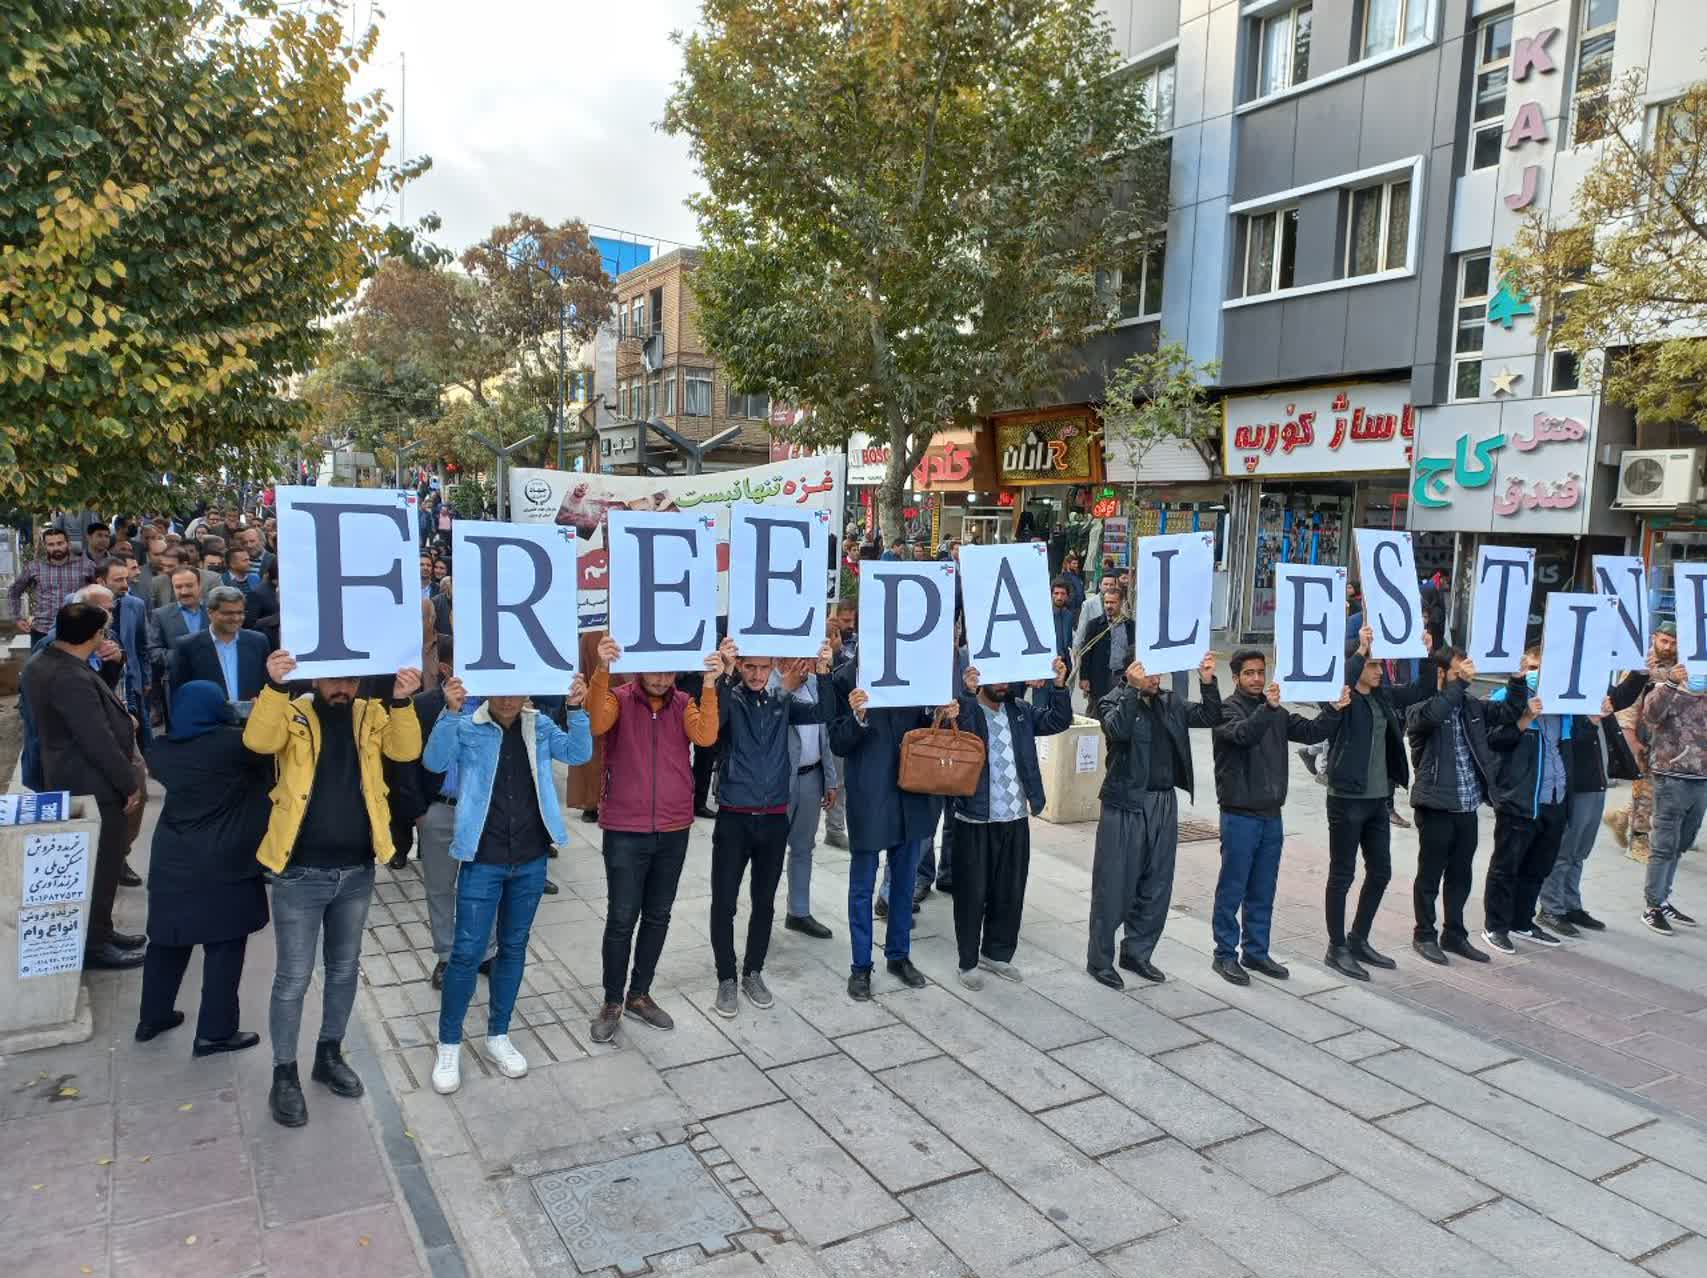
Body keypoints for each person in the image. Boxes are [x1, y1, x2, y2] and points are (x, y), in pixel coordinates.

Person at [244, 650, 423, 1128]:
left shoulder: (371, 713)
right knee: (294, 978)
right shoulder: (294, 710)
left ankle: (329, 1054)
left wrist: (403, 701)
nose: (341, 687)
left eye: (350, 679)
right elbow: (259, 742)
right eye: (332, 679)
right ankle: (284, 1074)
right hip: (299, 872)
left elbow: (405, 752)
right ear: (316, 679)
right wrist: (275, 686)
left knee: (344, 970)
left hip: (357, 871)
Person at [424, 671, 592, 1094]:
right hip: (483, 858)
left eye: (517, 689)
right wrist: (448, 710)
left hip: (531, 858)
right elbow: (435, 762)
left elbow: (578, 753)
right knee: (465, 954)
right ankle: (449, 1043)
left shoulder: (539, 725)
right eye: (500, 689)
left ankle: (498, 1034)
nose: (509, 698)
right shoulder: (468, 724)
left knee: (514, 948)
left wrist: (577, 709)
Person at [584, 637, 721, 1043]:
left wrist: (711, 684)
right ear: (639, 667)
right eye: (654, 670)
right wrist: (602, 669)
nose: (661, 679)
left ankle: (640, 993)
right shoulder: (619, 699)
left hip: (674, 826)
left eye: (668, 671)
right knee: (622, 917)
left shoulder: (684, 703)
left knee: (659, 915)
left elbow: (707, 737)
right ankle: (612, 1000)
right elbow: (595, 722)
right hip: (625, 827)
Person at [135, 681, 271, 1054]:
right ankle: (215, 1031)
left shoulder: (162, 752)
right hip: (224, 862)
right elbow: (268, 750)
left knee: (166, 943)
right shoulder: (234, 746)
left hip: (172, 862)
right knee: (224, 948)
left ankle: (152, 1017)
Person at [709, 638, 832, 1018]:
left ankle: (753, 971)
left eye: (764, 668)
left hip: (774, 817)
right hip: (734, 815)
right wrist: (724, 675)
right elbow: (713, 728)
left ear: (773, 666)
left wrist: (825, 672)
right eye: (750, 667)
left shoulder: (782, 701)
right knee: (725, 902)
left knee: (764, 902)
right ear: (740, 665)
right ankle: (726, 977)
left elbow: (824, 710)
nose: (758, 675)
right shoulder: (729, 698)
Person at [19, 602, 145, 968]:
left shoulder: (47, 663)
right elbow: (95, 736)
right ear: (94, 635)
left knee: (100, 867)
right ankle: (95, 946)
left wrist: (111, 666)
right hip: (93, 784)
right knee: (101, 868)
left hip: (79, 778)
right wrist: (128, 783)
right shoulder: (67, 676)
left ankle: (102, 932)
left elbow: (94, 704)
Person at [1206, 651, 1342, 986]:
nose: (1256, 679)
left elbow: (1311, 732)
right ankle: (1224, 954)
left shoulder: (1276, 712)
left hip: (1271, 814)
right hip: (1239, 814)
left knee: (1263, 887)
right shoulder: (1225, 710)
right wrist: (1268, 709)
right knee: (1233, 888)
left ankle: (1256, 950)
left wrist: (1333, 708)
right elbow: (1244, 735)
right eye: (1249, 673)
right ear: (1235, 676)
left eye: (1260, 672)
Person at [1086, 654, 1221, 989]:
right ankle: (1099, 960)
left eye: (1159, 669)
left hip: (1163, 801)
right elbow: (1117, 731)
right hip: (1125, 803)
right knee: (1114, 884)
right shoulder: (1111, 700)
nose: (1157, 677)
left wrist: (1207, 682)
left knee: (1157, 884)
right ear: (1132, 671)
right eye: (1149, 670)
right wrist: (1131, 691)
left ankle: (1137, 952)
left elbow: (1210, 716)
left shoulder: (1170, 702)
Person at [1318, 629, 1433, 979]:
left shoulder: (1382, 698)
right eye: (1372, 665)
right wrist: (1358, 653)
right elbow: (1338, 686)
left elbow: (1420, 692)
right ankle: (1335, 947)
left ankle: (1358, 938)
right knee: (1342, 874)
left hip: (1379, 799)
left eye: (1381, 665)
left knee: (1380, 871)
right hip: (1346, 799)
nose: (1379, 671)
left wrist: (1426, 656)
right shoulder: (1341, 699)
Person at [953, 655, 1074, 989]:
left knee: (1010, 891)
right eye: (997, 679)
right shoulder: (968, 711)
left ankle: (997, 953)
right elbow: (960, 731)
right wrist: (966, 694)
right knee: (972, 893)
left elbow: (1057, 721)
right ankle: (968, 961)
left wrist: (1060, 685)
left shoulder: (1020, 711)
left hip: (1015, 817)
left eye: (1008, 679)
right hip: (975, 818)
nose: (1004, 685)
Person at [830, 683, 955, 999]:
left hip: (912, 792)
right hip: (870, 797)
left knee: (904, 882)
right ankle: (861, 966)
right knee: (862, 886)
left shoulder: (918, 670)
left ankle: (898, 955)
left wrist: (939, 713)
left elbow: (930, 728)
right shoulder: (846, 676)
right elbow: (838, 742)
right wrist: (857, 717)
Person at [1405, 647, 1504, 965]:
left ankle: (1455, 933)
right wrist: (1458, 684)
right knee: (1430, 874)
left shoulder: (1471, 706)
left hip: (1467, 805)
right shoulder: (1421, 709)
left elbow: (1506, 713)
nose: (1466, 676)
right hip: (1435, 805)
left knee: (1461, 874)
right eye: (1459, 670)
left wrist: (1516, 681)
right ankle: (1424, 934)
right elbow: (1434, 715)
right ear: (1442, 674)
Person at [1535, 678, 1640, 937]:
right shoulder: (1568, 692)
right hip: (1577, 783)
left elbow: (1622, 697)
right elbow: (1566, 740)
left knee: (1581, 849)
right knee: (1566, 848)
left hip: (1597, 781)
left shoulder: (1598, 686)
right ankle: (1550, 907)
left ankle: (1571, 904)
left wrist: (1639, 672)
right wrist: (1589, 721)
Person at [1481, 649, 1569, 954]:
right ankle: (1496, 926)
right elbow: (1492, 741)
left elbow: (1567, 742)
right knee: (1507, 865)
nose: (1536, 673)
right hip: (1520, 797)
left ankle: (1522, 920)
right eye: (1531, 667)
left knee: (1538, 866)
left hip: (1554, 796)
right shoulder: (1505, 696)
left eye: (1541, 668)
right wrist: (1525, 718)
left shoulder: (1565, 700)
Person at [1636, 659, 1705, 934]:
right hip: (1671, 777)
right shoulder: (1668, 689)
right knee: (1664, 845)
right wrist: (1673, 683)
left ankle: (1663, 898)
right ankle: (1652, 906)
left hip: (1701, 780)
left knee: (1682, 842)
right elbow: (1650, 716)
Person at [777, 656, 840, 942]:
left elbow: (824, 737)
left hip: (812, 777)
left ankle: (798, 912)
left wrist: (830, 779)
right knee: (770, 853)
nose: (801, 662)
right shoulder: (768, 684)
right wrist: (785, 688)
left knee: (803, 847)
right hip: (779, 784)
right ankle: (762, 914)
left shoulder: (815, 684)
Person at [1608, 624, 1680, 861]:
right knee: (1647, 789)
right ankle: (1638, 841)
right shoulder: (1642, 665)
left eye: (1673, 642)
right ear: (1654, 638)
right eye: (1664, 641)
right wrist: (1631, 739)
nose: (1668, 647)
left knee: (1652, 790)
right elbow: (1627, 704)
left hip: (1672, 740)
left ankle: (1621, 815)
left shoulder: (1681, 665)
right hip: (1646, 738)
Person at [171, 585, 267, 703]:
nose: (236, 618)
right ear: (210, 613)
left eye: (240, 612)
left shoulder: (258, 642)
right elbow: (180, 693)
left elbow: (265, 685)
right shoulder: (187, 646)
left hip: (253, 718)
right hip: (209, 719)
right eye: (228, 613)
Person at [9, 527, 95, 642]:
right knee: (40, 661)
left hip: (77, 629)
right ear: (45, 546)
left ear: (68, 543)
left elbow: (99, 593)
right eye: (51, 544)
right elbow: (14, 592)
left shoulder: (87, 566)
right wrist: (17, 618)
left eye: (60, 543)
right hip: (42, 630)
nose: (56, 548)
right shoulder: (34, 567)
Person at [1074, 577, 1132, 704]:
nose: (1109, 606)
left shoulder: (1130, 626)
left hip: (1122, 678)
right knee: (1097, 714)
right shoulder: (1094, 625)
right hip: (1100, 678)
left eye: (1113, 602)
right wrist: (1084, 678)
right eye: (1106, 602)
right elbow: (1086, 653)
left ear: (1121, 603)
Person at [1050, 577, 1076, 662]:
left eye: (1063, 594)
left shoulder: (1069, 615)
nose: (1059, 597)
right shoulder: (1047, 616)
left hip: (1066, 661)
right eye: (1056, 593)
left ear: (1067, 596)